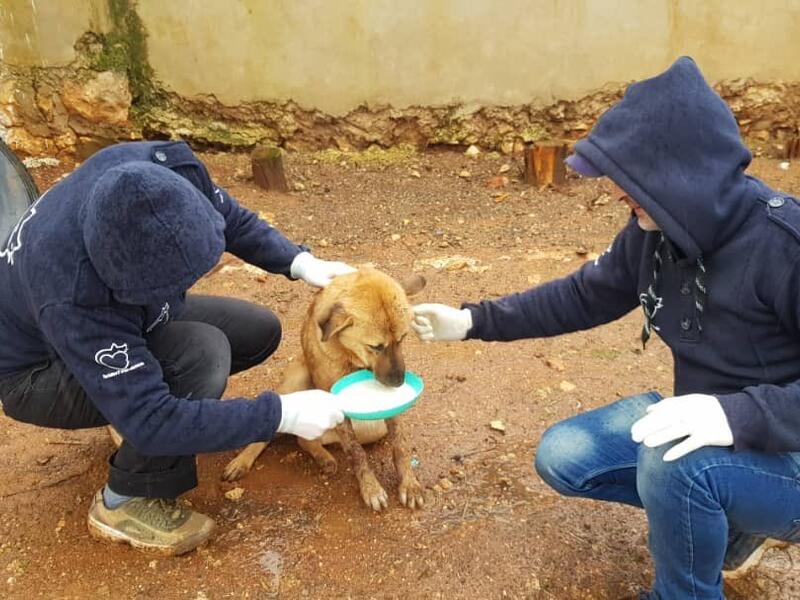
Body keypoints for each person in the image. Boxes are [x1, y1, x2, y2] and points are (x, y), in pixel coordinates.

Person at [411, 57, 800, 599]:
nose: (616, 193)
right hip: (710, 430)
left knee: (676, 465)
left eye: (629, 180)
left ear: (679, 172)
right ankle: (732, 524)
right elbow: (584, 295)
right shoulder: (659, 229)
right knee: (565, 456)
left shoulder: (785, 245)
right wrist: (475, 320)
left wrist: (733, 414)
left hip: (788, 452)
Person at [0, 141, 351, 555]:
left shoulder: (161, 168)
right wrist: (281, 414)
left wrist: (298, 262)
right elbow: (153, 419)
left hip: (117, 316)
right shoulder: (72, 295)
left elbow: (229, 217)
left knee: (257, 331)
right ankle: (127, 499)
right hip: (38, 369)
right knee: (201, 355)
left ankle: (126, 392)